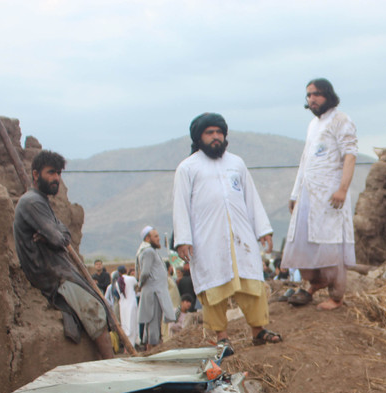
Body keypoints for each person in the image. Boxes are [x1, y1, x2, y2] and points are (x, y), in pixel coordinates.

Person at [172, 112, 282, 349]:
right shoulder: (187, 168)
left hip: (241, 237)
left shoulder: (236, 163)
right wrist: (183, 239)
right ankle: (221, 337)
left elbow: (251, 198)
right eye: (210, 133)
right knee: (214, 289)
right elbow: (180, 205)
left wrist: (263, 230)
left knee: (252, 284)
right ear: (199, 137)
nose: (216, 137)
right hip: (207, 239)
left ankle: (258, 330)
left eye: (219, 132)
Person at [13, 150, 114, 359]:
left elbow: (64, 235)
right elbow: (59, 239)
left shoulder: (43, 203)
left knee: (102, 304)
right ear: (35, 174)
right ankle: (110, 363)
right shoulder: (31, 202)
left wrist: (52, 234)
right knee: (93, 309)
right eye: (51, 173)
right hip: (49, 272)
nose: (56, 178)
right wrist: (53, 235)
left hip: (57, 268)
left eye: (58, 173)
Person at [282, 78, 357, 310]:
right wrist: (295, 195)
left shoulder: (341, 120)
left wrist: (342, 189)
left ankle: (337, 296)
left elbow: (350, 156)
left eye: (317, 94)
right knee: (306, 243)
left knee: (331, 244)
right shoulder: (313, 125)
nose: (312, 99)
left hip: (331, 197)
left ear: (328, 96)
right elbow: (305, 162)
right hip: (308, 196)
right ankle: (314, 285)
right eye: (308, 95)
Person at [135, 226, 177, 347]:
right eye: (156, 236)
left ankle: (152, 345)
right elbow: (145, 272)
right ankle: (153, 347)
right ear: (148, 238)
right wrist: (140, 285)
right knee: (153, 321)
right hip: (154, 292)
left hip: (155, 290)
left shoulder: (151, 251)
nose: (158, 239)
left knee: (153, 321)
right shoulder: (148, 252)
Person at [107, 265, 139, 346]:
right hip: (131, 304)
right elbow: (137, 286)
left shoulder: (117, 282)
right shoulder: (131, 279)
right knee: (132, 323)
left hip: (123, 305)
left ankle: (126, 346)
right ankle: (132, 344)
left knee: (125, 324)